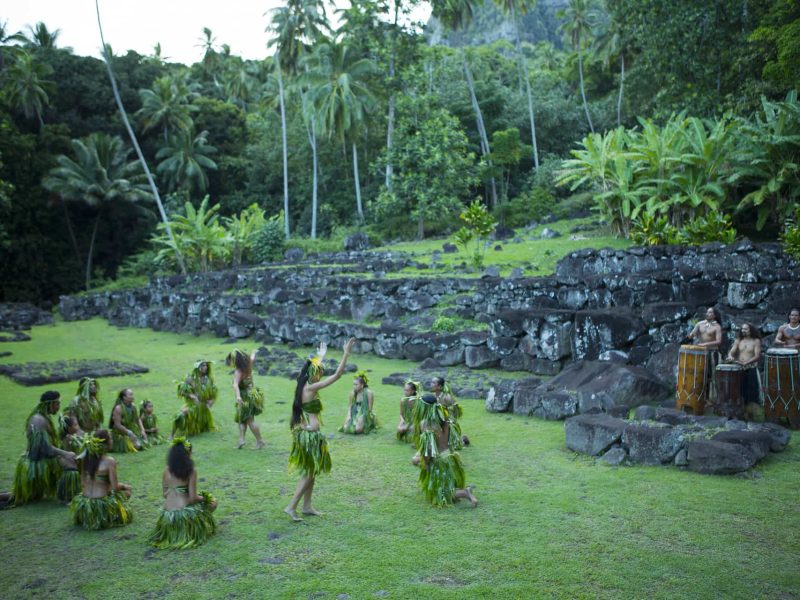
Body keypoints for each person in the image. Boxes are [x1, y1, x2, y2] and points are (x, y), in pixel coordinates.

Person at [284, 338, 356, 522]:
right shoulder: (311, 387)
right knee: (308, 473)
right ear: (312, 375)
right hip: (309, 435)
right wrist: (346, 352)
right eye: (319, 372)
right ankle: (291, 506)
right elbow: (338, 375)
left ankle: (307, 506)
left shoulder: (302, 386)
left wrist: (320, 356)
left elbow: (312, 368)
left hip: (309, 434)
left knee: (313, 471)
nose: (321, 375)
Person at [149, 437, 218, 549]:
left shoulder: (166, 470)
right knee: (213, 503)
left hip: (167, 517)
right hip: (183, 517)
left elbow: (165, 494)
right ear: (188, 453)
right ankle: (191, 530)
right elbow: (192, 498)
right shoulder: (191, 471)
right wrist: (205, 498)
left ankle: (173, 535)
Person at [11, 391, 78, 506]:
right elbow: (44, 447)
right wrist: (65, 453)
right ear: (50, 404)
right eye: (57, 404)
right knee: (71, 464)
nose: (59, 407)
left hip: (40, 458)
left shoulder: (43, 417)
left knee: (24, 497)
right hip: (37, 462)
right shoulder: (39, 420)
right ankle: (66, 498)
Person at [415, 394, 477, 508]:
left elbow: (428, 448)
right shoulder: (444, 420)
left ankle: (464, 492)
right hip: (450, 457)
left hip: (439, 463)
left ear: (425, 408)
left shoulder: (425, 424)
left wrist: (427, 464)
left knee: (440, 495)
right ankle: (461, 490)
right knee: (444, 487)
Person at [71, 430, 133, 530]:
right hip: (101, 508)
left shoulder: (86, 460)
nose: (112, 440)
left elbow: (82, 483)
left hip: (86, 507)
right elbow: (115, 488)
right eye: (111, 439)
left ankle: (88, 519)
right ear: (106, 444)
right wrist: (125, 486)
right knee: (127, 491)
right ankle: (110, 517)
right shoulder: (109, 461)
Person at [226, 349, 265, 450]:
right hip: (251, 394)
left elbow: (235, 385)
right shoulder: (248, 364)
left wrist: (238, 397)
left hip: (245, 397)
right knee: (242, 419)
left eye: (232, 360)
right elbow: (252, 358)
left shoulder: (238, 371)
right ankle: (241, 440)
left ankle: (260, 441)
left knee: (250, 420)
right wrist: (254, 352)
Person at [686, 307, 724, 401]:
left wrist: (704, 344)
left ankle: (712, 398)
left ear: (715, 315)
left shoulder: (717, 327)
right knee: (700, 375)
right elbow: (692, 335)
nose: (707, 314)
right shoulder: (699, 324)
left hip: (712, 353)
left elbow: (718, 341)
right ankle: (701, 397)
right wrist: (690, 335)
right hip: (701, 353)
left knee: (712, 376)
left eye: (710, 312)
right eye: (707, 312)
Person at [173, 360, 218, 437]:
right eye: (203, 365)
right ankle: (171, 434)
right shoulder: (191, 378)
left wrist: (211, 400)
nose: (205, 367)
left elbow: (213, 392)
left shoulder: (209, 379)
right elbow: (181, 391)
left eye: (206, 365)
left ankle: (199, 426)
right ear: (198, 367)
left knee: (200, 427)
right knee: (180, 416)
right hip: (192, 405)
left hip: (203, 407)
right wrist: (190, 395)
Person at [726, 322, 763, 412]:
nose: (743, 331)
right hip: (739, 368)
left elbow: (757, 356)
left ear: (751, 330)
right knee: (739, 390)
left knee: (751, 391)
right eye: (742, 329)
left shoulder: (756, 341)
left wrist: (746, 362)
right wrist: (730, 356)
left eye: (746, 329)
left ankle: (752, 411)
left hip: (751, 368)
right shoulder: (738, 340)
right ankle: (738, 410)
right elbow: (732, 351)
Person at [431, 376, 468, 449]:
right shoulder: (433, 396)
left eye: (433, 383)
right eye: (431, 382)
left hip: (447, 423)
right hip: (438, 421)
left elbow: (455, 412)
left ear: (440, 386)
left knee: (452, 446)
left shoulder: (447, 397)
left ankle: (462, 440)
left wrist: (448, 422)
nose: (431, 384)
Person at [109, 388, 147, 452]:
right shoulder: (118, 408)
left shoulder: (133, 406)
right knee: (136, 446)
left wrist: (142, 430)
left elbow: (137, 419)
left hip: (131, 430)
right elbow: (117, 425)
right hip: (121, 433)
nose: (133, 396)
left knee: (142, 444)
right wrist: (129, 433)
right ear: (124, 397)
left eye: (132, 394)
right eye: (130, 394)